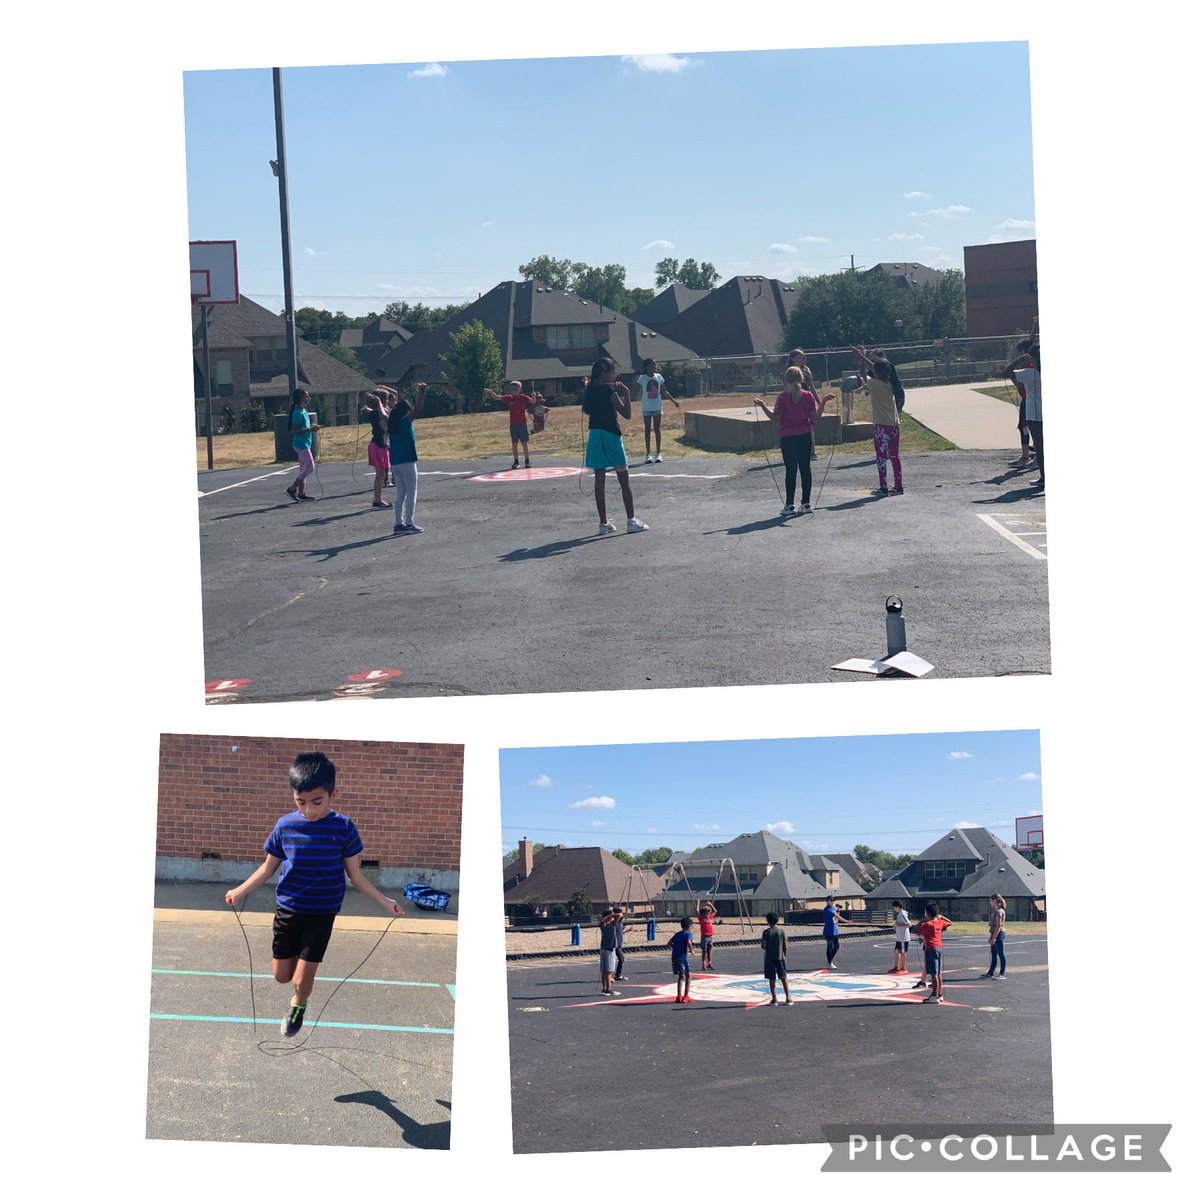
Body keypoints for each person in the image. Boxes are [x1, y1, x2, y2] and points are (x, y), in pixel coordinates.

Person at [223, 751, 404, 1037]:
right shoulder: (286, 825)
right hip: (288, 911)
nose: (309, 810)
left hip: (322, 914)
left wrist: (385, 901)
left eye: (317, 802)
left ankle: (299, 1003)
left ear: (333, 793)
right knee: (281, 976)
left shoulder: (343, 828)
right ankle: (297, 981)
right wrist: (239, 890)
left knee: (299, 982)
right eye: (301, 802)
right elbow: (268, 868)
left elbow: (355, 876)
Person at [753, 366, 835, 516]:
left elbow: (775, 418)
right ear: (801, 379)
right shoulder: (808, 396)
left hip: (788, 437)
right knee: (805, 469)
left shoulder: (783, 397)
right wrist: (823, 401)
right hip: (805, 436)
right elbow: (815, 417)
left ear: (785, 380)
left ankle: (790, 505)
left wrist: (762, 405)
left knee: (791, 470)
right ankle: (806, 502)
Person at [581, 356, 648, 534]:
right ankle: (631, 520)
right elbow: (626, 414)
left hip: (595, 436)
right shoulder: (609, 390)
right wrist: (625, 392)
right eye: (613, 372)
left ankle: (603, 523)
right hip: (611, 434)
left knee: (599, 482)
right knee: (623, 480)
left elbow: (587, 410)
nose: (615, 375)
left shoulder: (590, 390)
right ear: (605, 373)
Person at [849, 343, 903, 497]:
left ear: (876, 373)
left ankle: (883, 486)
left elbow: (865, 375)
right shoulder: (891, 384)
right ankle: (898, 485)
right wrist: (862, 356)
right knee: (894, 456)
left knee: (881, 456)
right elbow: (875, 368)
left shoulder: (873, 384)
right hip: (894, 424)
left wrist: (860, 357)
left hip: (882, 426)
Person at [387, 382, 427, 535]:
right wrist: (422, 393)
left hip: (395, 463)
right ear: (406, 411)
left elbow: (396, 408)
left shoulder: (392, 421)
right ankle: (409, 524)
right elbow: (417, 409)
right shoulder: (405, 421)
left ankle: (398, 524)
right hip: (407, 461)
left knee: (400, 494)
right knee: (412, 492)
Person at [1003, 342, 1043, 491]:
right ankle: (1038, 468)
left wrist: (1021, 359)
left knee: (1038, 443)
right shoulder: (1035, 372)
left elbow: (1008, 373)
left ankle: (1036, 466)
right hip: (1037, 410)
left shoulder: (1030, 373)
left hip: (1035, 411)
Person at [634, 358, 680, 463]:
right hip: (646, 407)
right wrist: (627, 399)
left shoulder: (659, 377)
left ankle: (658, 453)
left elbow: (664, 391)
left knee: (657, 429)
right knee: (647, 430)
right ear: (646, 367)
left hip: (657, 407)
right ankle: (648, 454)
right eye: (652, 366)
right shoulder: (642, 378)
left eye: (655, 366)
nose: (654, 367)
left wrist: (674, 402)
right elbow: (634, 392)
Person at [483, 381, 536, 470]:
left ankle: (527, 460)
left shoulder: (523, 397)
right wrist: (490, 392)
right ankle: (516, 461)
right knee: (514, 443)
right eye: (512, 389)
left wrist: (534, 395)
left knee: (524, 443)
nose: (514, 390)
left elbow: (533, 401)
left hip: (522, 424)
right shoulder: (509, 398)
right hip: (513, 424)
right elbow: (497, 397)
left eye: (516, 388)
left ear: (520, 389)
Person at [911, 902, 953, 1004]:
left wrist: (922, 921)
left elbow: (914, 930)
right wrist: (941, 917)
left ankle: (934, 995)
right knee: (938, 973)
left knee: (933, 974)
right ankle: (939, 994)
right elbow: (950, 922)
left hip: (931, 949)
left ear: (928, 914)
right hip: (939, 948)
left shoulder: (927, 924)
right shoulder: (940, 922)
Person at [786, 349, 822, 461]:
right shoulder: (789, 371)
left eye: (802, 358)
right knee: (793, 425)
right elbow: (786, 387)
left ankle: (812, 451)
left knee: (808, 425)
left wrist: (818, 401)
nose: (801, 360)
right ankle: (795, 450)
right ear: (792, 358)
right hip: (793, 399)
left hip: (806, 399)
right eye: (798, 358)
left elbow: (811, 386)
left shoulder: (806, 370)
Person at [285, 389, 320, 502]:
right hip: (301, 444)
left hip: (305, 442)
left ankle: (301, 493)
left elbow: (305, 427)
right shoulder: (297, 412)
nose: (308, 398)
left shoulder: (303, 411)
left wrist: (312, 426)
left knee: (303, 468)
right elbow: (295, 429)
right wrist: (310, 429)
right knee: (310, 467)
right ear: (300, 398)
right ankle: (292, 488)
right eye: (306, 396)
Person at [363, 390, 392, 510]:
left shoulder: (373, 412)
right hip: (378, 446)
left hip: (377, 445)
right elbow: (384, 418)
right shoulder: (380, 413)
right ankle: (378, 500)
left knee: (380, 474)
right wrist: (379, 401)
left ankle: (378, 498)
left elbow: (375, 411)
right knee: (380, 475)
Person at [761, 912, 790, 1005]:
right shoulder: (781, 931)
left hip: (770, 958)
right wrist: (785, 956)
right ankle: (788, 997)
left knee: (772, 978)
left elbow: (763, 945)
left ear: (768, 921)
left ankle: (774, 999)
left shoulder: (766, 932)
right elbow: (785, 946)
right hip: (780, 957)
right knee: (783, 977)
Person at [822, 895, 854, 969]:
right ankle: (830, 962)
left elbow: (835, 917)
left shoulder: (833, 908)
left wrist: (838, 910)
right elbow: (837, 916)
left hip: (835, 930)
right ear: (827, 901)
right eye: (831, 900)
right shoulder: (827, 910)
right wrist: (847, 921)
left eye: (833, 900)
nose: (832, 902)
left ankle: (829, 961)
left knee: (836, 946)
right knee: (830, 946)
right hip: (828, 931)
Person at [668, 916, 694, 1003]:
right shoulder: (688, 933)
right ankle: (686, 996)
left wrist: (675, 948)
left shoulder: (677, 934)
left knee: (680, 976)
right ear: (689, 926)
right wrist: (691, 950)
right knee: (689, 975)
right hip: (682, 958)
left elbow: (669, 943)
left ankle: (679, 996)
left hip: (675, 957)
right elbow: (689, 942)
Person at [981, 893, 1007, 980]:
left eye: (991, 901)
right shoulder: (996, 911)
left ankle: (1002, 974)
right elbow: (994, 927)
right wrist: (991, 937)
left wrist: (994, 938)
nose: (990, 903)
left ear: (995, 900)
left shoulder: (999, 911)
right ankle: (990, 972)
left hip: (999, 934)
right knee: (993, 955)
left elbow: (998, 926)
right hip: (995, 933)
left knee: (1001, 954)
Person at [599, 907, 621, 995]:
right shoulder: (611, 924)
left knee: (604, 970)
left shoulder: (602, 924)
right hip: (609, 949)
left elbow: (601, 918)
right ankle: (608, 989)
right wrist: (610, 916)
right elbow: (619, 915)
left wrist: (605, 918)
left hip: (603, 949)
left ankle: (604, 988)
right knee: (609, 971)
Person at [889, 900, 911, 974]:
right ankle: (896, 967)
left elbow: (909, 924)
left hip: (903, 938)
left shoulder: (903, 914)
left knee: (903, 952)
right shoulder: (899, 914)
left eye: (895, 908)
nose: (894, 909)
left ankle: (904, 968)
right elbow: (897, 922)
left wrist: (899, 926)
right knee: (896, 951)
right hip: (899, 937)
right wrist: (895, 925)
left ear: (898, 907)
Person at [696, 900, 716, 971]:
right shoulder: (701, 919)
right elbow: (697, 911)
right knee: (704, 951)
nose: (708, 914)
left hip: (710, 936)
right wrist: (698, 903)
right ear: (703, 914)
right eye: (706, 913)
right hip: (704, 937)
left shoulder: (710, 917)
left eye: (708, 913)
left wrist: (710, 905)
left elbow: (715, 911)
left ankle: (709, 964)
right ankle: (704, 964)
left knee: (709, 951)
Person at [612, 905, 629, 980]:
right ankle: (617, 975)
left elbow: (620, 932)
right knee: (621, 959)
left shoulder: (620, 922)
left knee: (620, 959)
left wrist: (628, 930)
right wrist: (618, 913)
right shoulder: (616, 921)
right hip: (615, 944)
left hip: (619, 943)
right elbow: (619, 915)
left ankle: (618, 975)